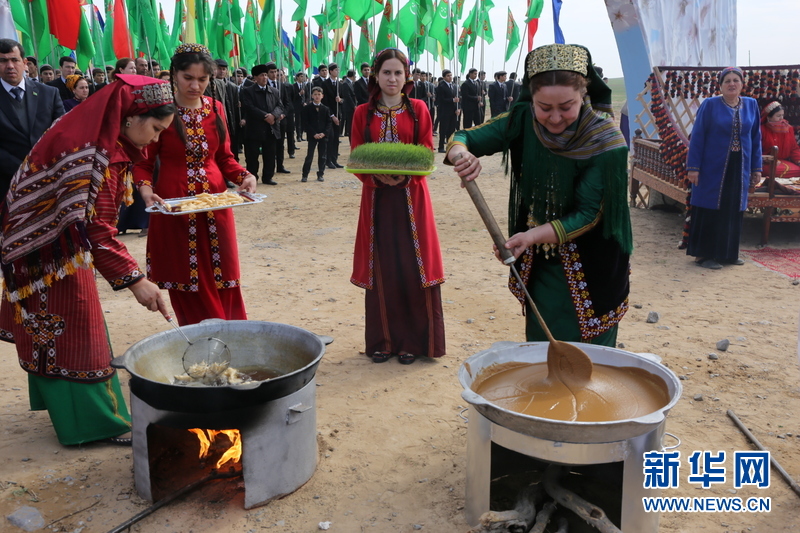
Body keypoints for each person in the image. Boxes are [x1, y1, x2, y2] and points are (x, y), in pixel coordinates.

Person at [0, 73, 175, 446]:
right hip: (51, 251)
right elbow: (95, 230)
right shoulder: (101, 157)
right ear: (130, 117)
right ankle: (97, 425)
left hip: (43, 245)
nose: (155, 139)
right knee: (80, 333)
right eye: (156, 129)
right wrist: (136, 281)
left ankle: (70, 412)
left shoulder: (98, 139)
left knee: (51, 328)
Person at [446, 43, 632, 347]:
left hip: (594, 265)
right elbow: (463, 137)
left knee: (593, 357)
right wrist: (461, 155)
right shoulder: (522, 121)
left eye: (566, 107)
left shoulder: (606, 140)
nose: (555, 118)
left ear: (584, 93)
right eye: (544, 107)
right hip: (541, 267)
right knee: (541, 348)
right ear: (531, 99)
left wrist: (530, 237)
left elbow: (589, 214)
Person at [133, 43, 257, 326]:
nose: (195, 86)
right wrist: (146, 191)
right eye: (188, 77)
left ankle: (234, 334)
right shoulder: (162, 110)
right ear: (174, 74)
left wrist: (245, 176)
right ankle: (206, 340)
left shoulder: (216, 108)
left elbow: (224, 158)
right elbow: (143, 162)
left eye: (202, 79)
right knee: (188, 278)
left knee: (223, 275)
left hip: (216, 206)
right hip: (174, 207)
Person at [350, 48, 445, 365]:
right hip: (376, 201)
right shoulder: (362, 113)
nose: (392, 78)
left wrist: (404, 176)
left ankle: (411, 343)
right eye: (386, 72)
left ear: (407, 77)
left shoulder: (419, 109)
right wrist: (376, 176)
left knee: (412, 267)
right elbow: (356, 154)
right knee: (383, 268)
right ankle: (383, 341)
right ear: (375, 75)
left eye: (398, 73)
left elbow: (426, 151)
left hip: (412, 199)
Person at [686, 67, 762, 270]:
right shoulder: (710, 105)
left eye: (736, 80)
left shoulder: (751, 105)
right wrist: (693, 167)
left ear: (742, 84)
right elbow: (698, 136)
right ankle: (704, 255)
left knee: (733, 207)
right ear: (720, 85)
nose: (732, 84)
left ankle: (728, 253)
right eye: (727, 81)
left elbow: (756, 138)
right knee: (710, 207)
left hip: (740, 165)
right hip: (712, 166)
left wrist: (756, 168)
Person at [0, 39, 65, 200]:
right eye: (3, 61)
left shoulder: (49, 94)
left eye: (14, 60)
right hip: (6, 185)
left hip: (48, 180)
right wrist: (23, 169)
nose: (10, 66)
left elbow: (62, 133)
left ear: (25, 63)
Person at [240, 63, 283, 185]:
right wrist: (265, 116)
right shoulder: (247, 91)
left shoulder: (274, 91)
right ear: (255, 77)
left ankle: (268, 177)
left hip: (270, 128)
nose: (264, 77)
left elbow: (280, 106)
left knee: (270, 154)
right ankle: (253, 178)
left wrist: (273, 115)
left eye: (265, 75)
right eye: (261, 75)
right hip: (254, 129)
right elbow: (249, 107)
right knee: (252, 156)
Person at [760, 101, 800, 179]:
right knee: (773, 171)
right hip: (766, 163)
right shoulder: (761, 130)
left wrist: (799, 160)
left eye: (782, 115)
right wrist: (769, 159)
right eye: (778, 116)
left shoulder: (788, 129)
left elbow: (794, 149)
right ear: (768, 117)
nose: (781, 118)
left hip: (784, 162)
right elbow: (755, 151)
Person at [301, 86, 331, 182]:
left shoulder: (326, 109)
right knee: (309, 155)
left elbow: (329, 123)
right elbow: (305, 123)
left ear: (322, 96)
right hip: (312, 135)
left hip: (323, 135)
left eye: (319, 94)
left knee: (322, 156)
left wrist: (324, 133)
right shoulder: (307, 108)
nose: (317, 96)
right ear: (312, 96)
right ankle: (305, 175)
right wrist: (313, 133)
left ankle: (320, 174)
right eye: (315, 94)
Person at [435, 69, 459, 152]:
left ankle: (450, 146)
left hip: (453, 111)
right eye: (448, 76)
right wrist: (452, 100)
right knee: (443, 129)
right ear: (444, 77)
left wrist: (458, 108)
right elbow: (441, 99)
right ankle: (441, 147)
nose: (450, 77)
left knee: (451, 129)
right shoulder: (441, 87)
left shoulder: (454, 86)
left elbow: (458, 98)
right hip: (444, 111)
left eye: (451, 75)